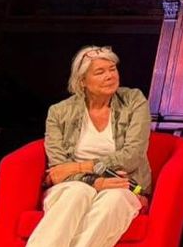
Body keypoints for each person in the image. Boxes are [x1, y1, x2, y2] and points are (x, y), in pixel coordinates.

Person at [27, 45, 150, 247]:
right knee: (77, 193)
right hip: (72, 185)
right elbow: (58, 170)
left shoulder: (134, 100)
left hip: (123, 184)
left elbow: (132, 156)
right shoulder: (59, 112)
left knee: (113, 201)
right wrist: (94, 182)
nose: (110, 76)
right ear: (82, 81)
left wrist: (81, 166)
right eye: (100, 72)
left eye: (112, 69)